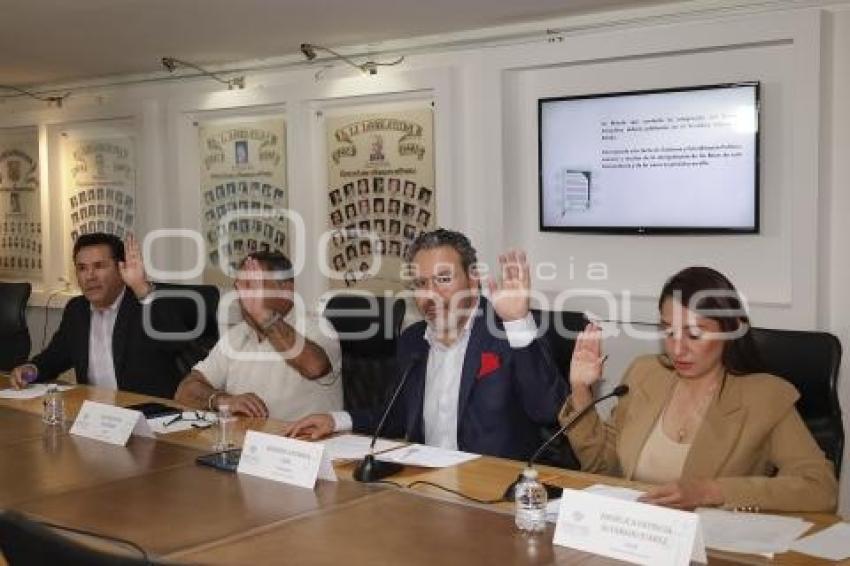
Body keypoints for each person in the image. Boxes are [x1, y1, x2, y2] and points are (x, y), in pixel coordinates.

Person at [562, 266, 837, 513]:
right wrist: (581, 389)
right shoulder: (645, 374)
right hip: (639, 536)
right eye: (669, 332)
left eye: (694, 334)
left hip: (713, 544)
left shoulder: (764, 397)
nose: (677, 349)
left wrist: (712, 492)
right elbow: (604, 467)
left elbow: (820, 488)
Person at [285, 229, 566, 461]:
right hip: (428, 483)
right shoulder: (413, 341)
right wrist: (336, 420)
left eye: (443, 279)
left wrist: (517, 322)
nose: (430, 294)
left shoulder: (509, 333)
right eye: (421, 283)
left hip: (494, 488)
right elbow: (397, 415)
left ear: (473, 280)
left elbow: (549, 411)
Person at [9, 233, 195, 398]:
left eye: (99, 266)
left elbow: (178, 344)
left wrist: (142, 289)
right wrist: (31, 369)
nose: (90, 276)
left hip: (147, 413)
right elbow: (55, 357)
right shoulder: (77, 309)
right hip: (95, 414)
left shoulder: (144, 305)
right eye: (82, 268)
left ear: (121, 269)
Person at [174, 251, 342, 420]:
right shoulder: (237, 335)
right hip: (244, 435)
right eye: (240, 288)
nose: (243, 297)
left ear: (286, 289)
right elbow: (184, 393)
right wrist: (221, 400)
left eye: (254, 287)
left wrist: (265, 318)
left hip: (302, 436)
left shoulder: (317, 327)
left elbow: (315, 367)